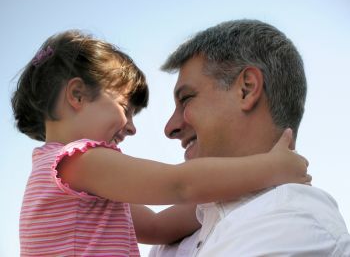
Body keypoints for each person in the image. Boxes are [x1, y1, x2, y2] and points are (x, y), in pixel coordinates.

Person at [11, 29, 310, 257]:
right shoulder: (78, 161)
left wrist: (226, 197)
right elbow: (178, 184)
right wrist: (270, 168)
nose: (130, 128)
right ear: (77, 95)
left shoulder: (68, 178)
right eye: (124, 108)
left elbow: (157, 227)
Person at [150, 19, 350, 256]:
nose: (169, 127)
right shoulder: (182, 236)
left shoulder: (292, 226)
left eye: (186, 98)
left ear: (246, 89)